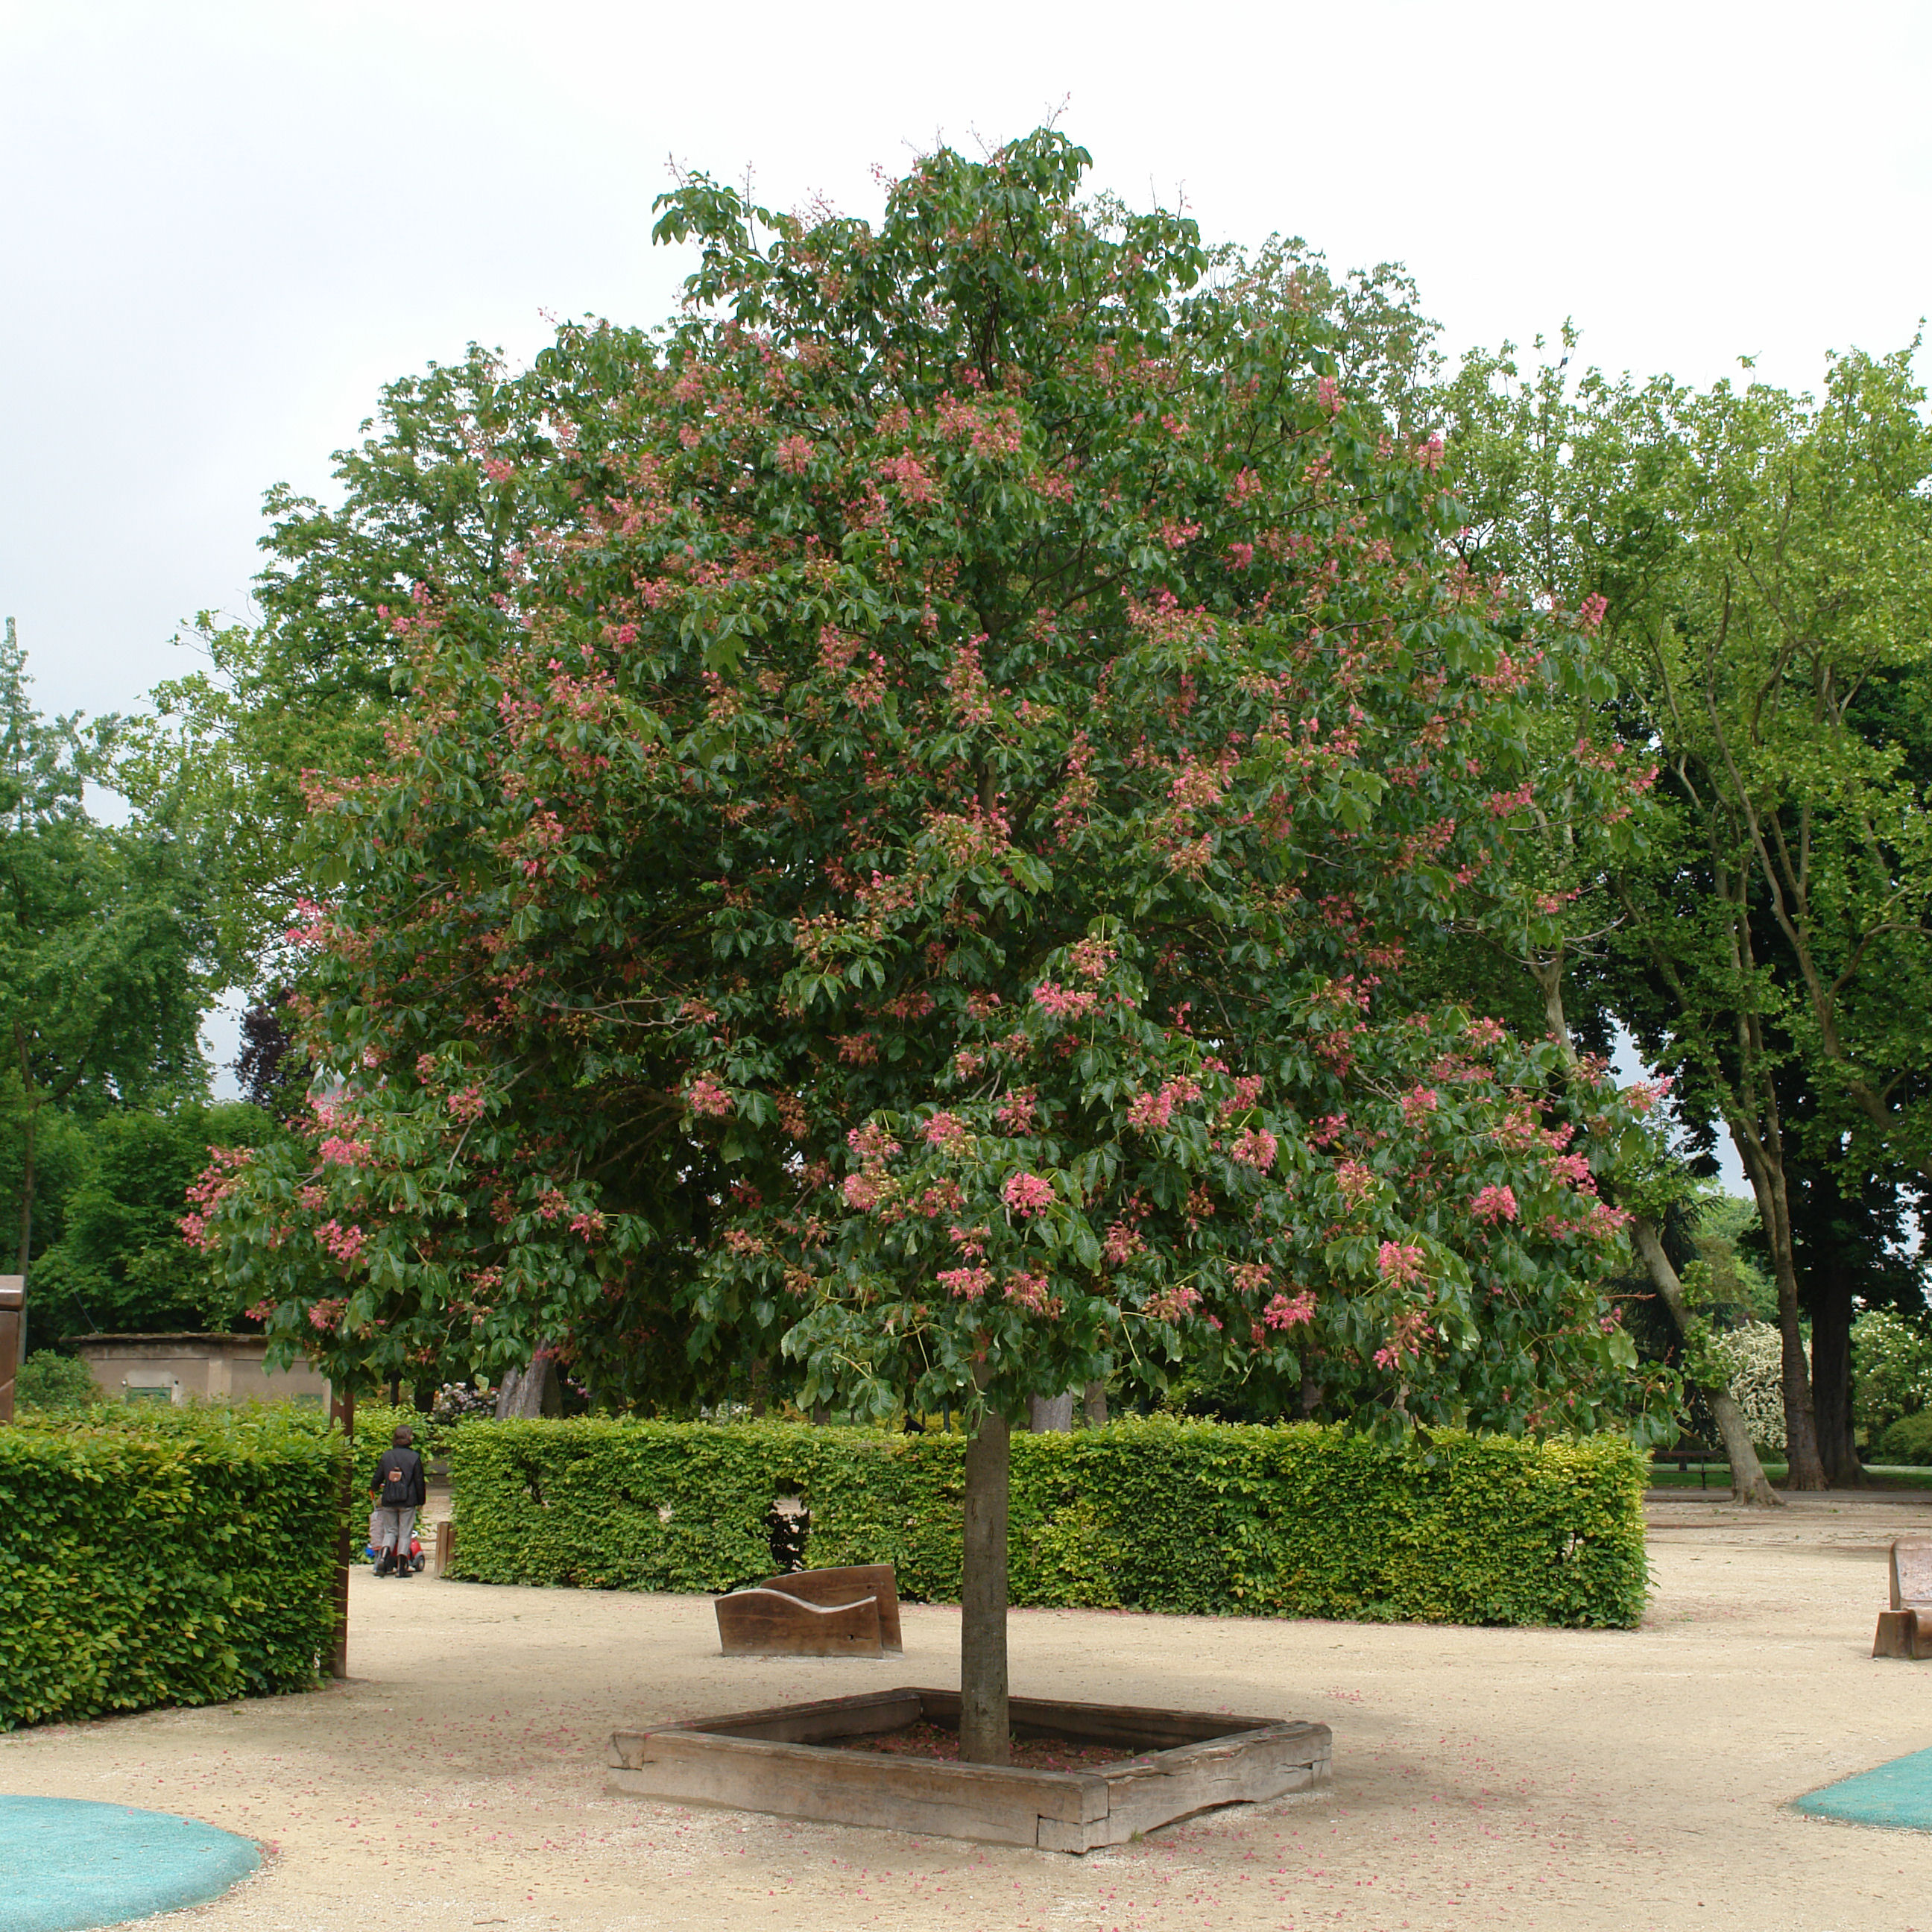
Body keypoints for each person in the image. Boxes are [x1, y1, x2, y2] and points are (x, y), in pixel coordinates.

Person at [369, 1424, 427, 1577]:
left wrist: (373, 1488)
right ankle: (402, 1568)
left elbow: (378, 1477)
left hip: (389, 1499)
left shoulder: (387, 1456)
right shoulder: (414, 1457)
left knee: (390, 1531)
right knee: (405, 1533)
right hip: (408, 1501)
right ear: (408, 1438)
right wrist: (421, 1501)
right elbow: (419, 1481)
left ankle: (383, 1558)